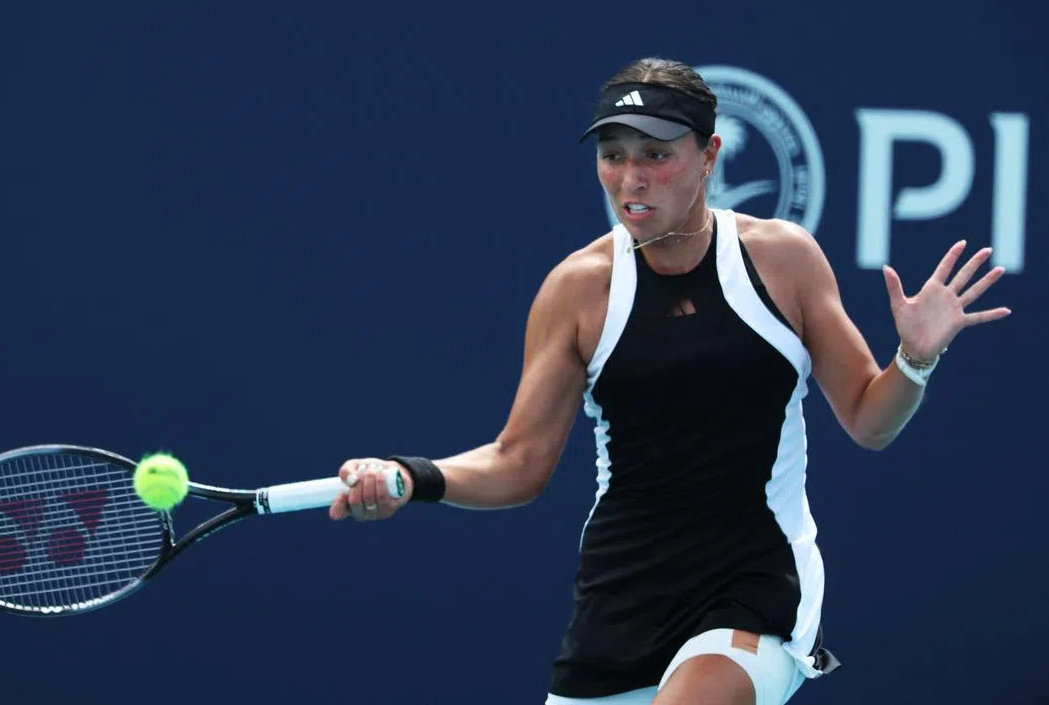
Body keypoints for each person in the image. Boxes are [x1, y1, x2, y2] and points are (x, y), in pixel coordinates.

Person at [326, 57, 1011, 705]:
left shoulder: (782, 261)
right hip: (620, 604)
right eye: (614, 155)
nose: (632, 178)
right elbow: (519, 463)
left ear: (709, 157)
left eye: (657, 154)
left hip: (755, 587)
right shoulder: (578, 291)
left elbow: (869, 419)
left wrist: (915, 360)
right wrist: (411, 476)